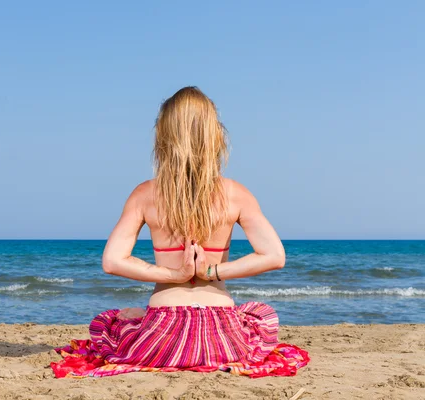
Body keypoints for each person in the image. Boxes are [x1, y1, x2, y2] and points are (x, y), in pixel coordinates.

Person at [51, 87, 309, 378]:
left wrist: (173, 276)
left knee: (110, 323)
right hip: (222, 338)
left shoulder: (145, 194)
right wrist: (212, 271)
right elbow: (275, 256)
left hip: (161, 336)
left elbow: (112, 262)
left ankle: (145, 317)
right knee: (260, 316)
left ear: (163, 136)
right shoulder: (236, 194)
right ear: (215, 134)